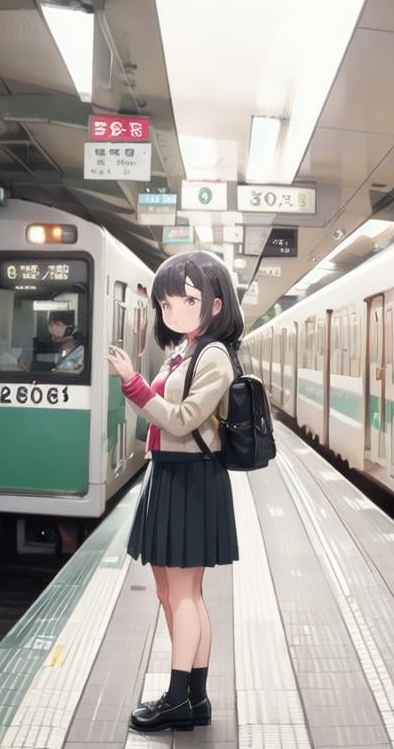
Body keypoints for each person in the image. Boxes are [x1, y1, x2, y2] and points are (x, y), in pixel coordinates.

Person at [106, 251, 244, 734]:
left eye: (187, 299)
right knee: (172, 592)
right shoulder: (185, 351)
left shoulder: (215, 357)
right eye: (167, 303)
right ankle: (195, 698)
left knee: (184, 595)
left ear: (215, 302)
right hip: (169, 473)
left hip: (192, 477)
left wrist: (135, 385)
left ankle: (178, 697)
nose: (175, 310)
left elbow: (184, 419)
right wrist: (141, 385)